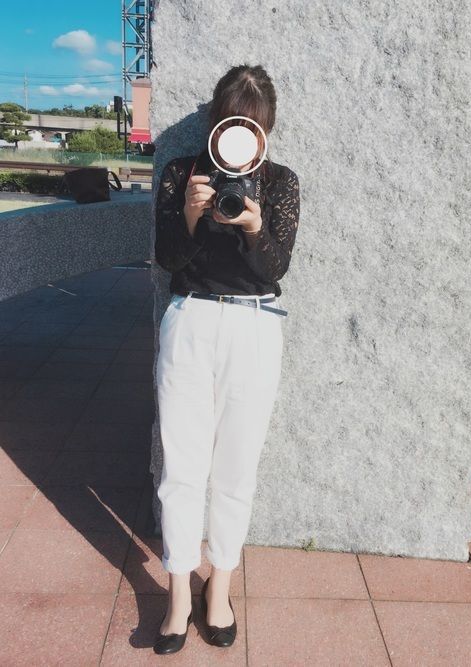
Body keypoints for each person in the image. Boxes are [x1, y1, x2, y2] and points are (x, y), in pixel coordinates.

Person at [153, 64, 300, 654]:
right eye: (232, 121)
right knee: (182, 466)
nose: (242, 134)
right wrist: (192, 215)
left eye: (253, 126)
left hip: (255, 324)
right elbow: (167, 259)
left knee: (237, 467)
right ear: (216, 122)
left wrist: (255, 226)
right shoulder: (181, 172)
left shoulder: (280, 182)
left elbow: (275, 268)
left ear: (266, 131)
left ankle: (219, 587)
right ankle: (177, 593)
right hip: (190, 319)